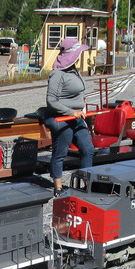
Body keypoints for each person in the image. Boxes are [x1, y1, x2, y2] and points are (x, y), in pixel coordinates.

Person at [44, 37, 94, 196]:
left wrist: (81, 106)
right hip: (63, 119)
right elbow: (51, 100)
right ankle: (58, 187)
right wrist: (72, 112)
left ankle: (86, 184)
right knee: (60, 153)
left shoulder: (73, 70)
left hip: (77, 119)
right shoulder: (58, 74)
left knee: (88, 149)